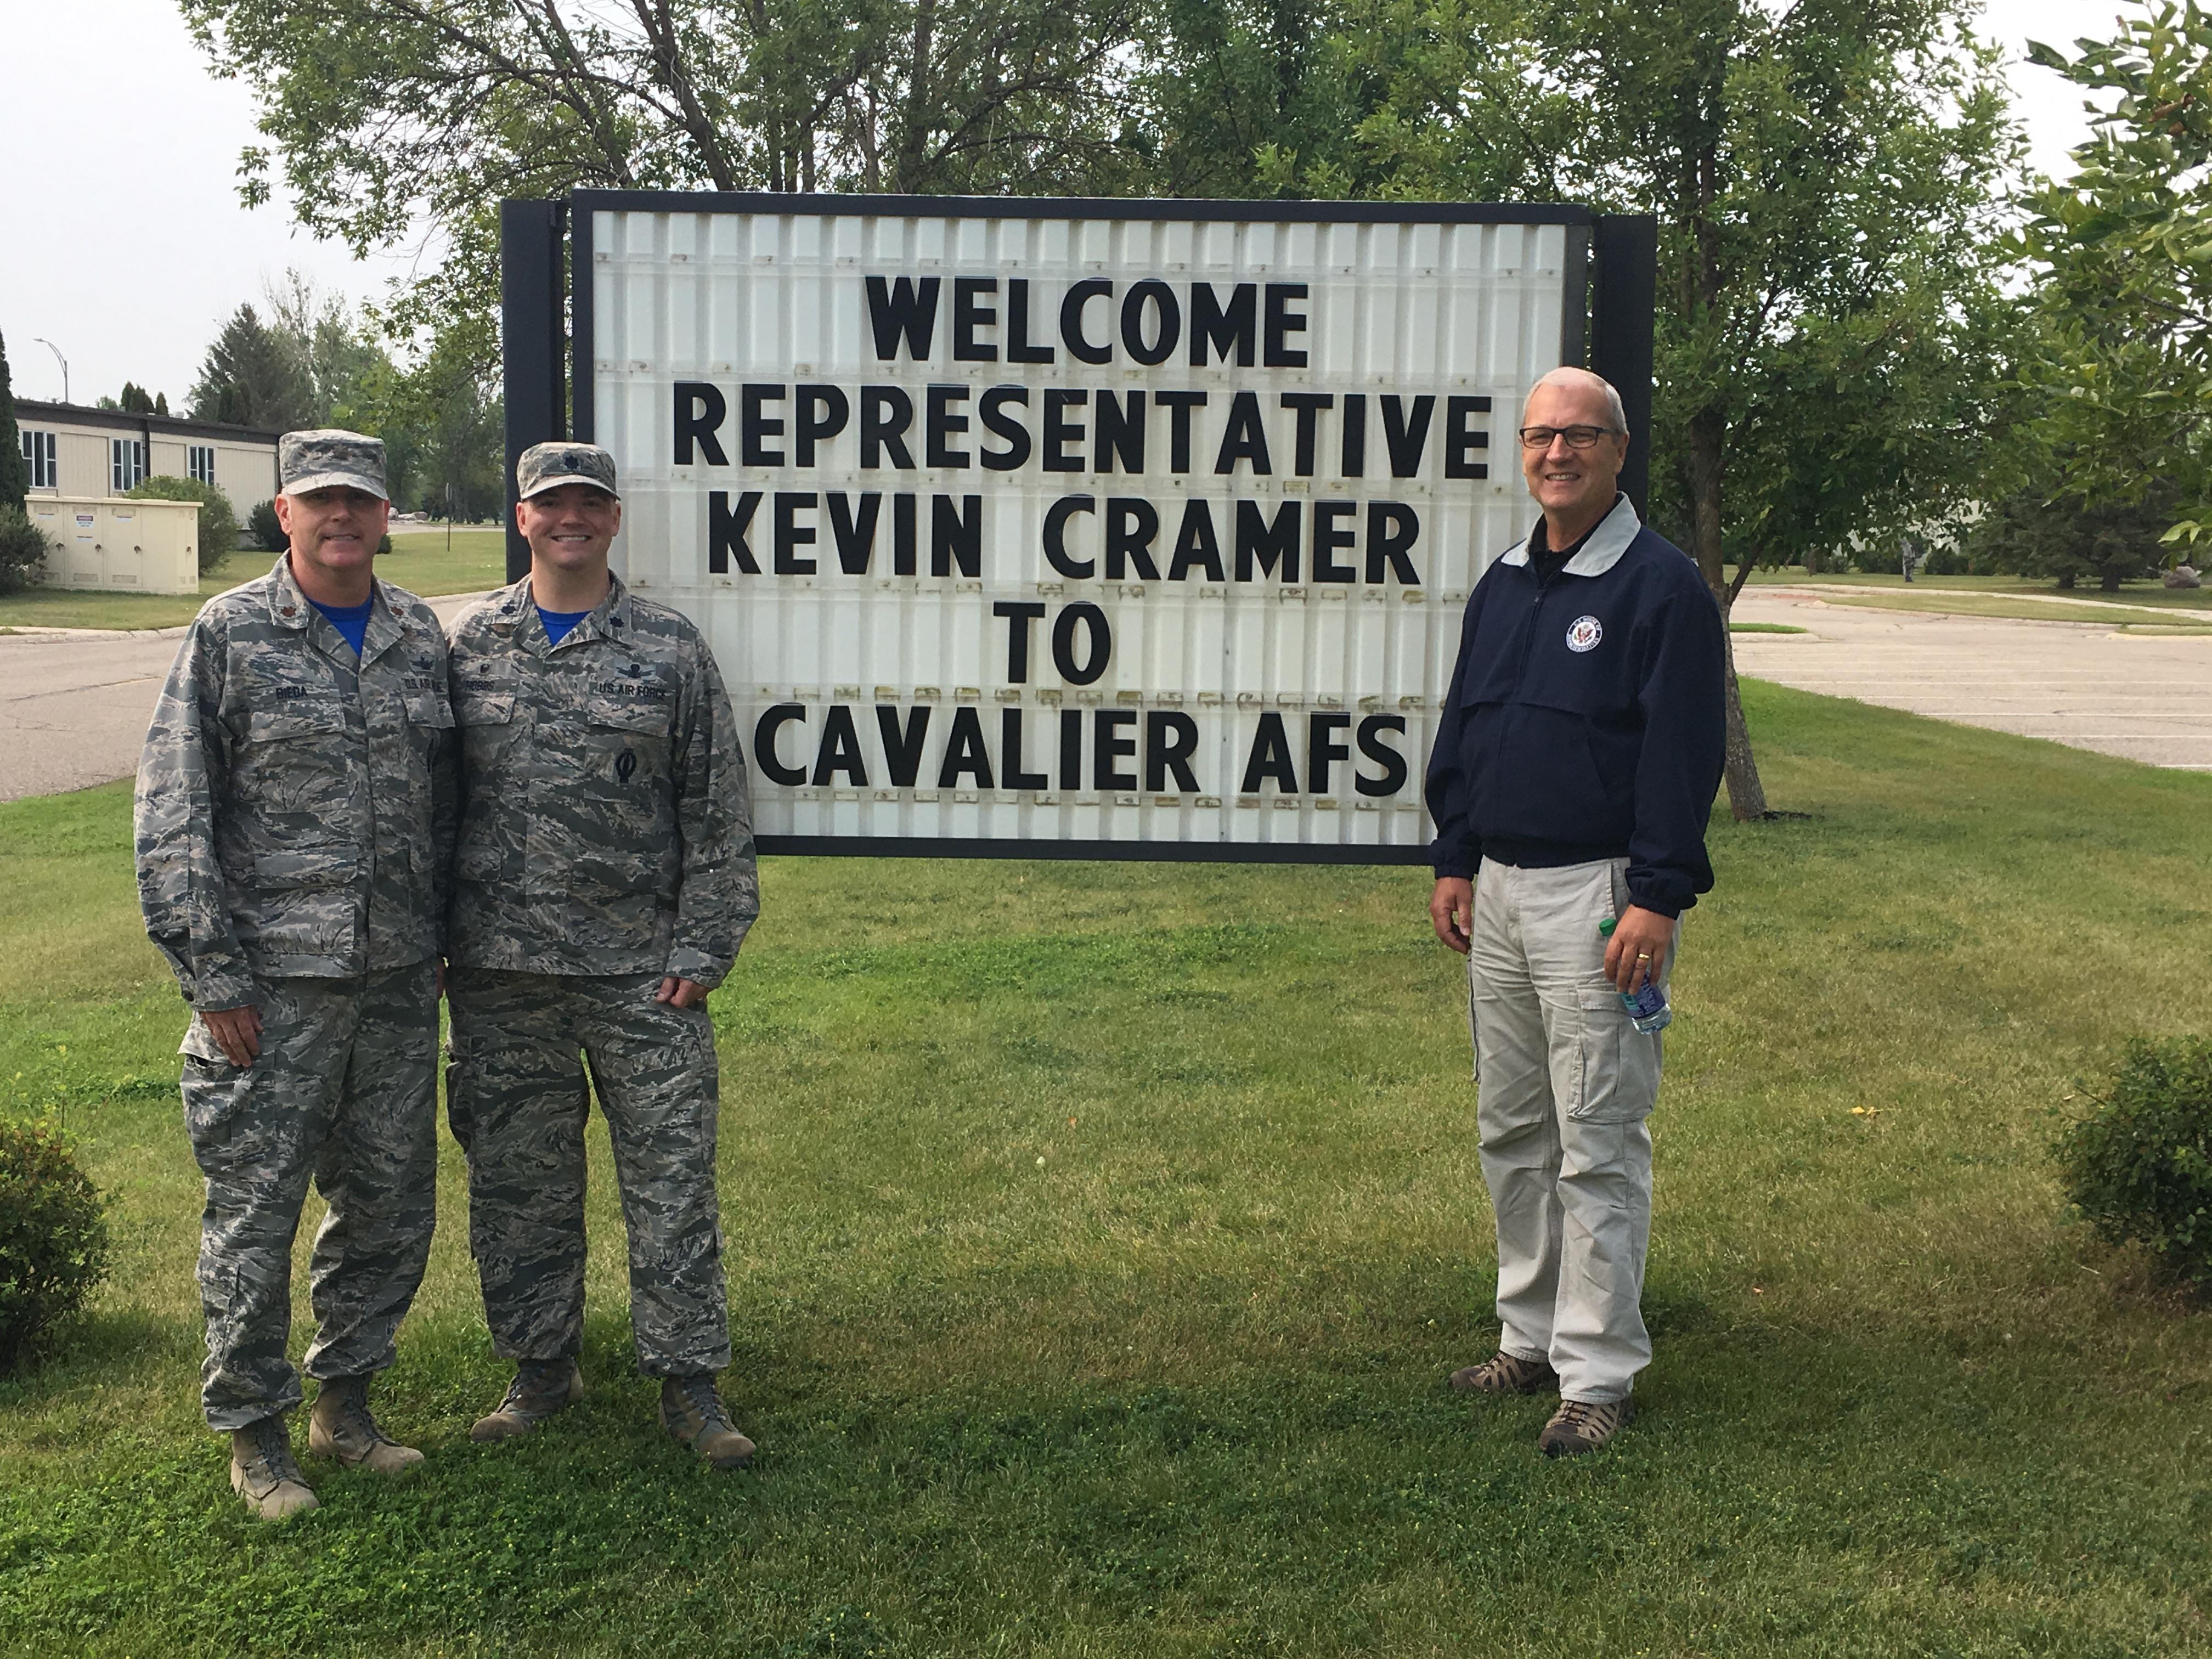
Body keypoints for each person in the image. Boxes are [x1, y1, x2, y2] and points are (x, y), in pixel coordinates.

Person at [135, 430, 455, 1519]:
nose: (342, 520)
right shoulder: (230, 632)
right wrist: (212, 973)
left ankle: (346, 1404)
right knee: (254, 1216)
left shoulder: (418, 636)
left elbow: (450, 802)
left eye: (360, 502)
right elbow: (177, 813)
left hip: (402, 977)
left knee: (388, 1206)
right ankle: (256, 1436)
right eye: (320, 501)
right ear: (283, 512)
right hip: (270, 990)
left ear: (384, 513)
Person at [1423, 368, 1725, 1456]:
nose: (1559, 453)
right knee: (1513, 1128)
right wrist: (1456, 857)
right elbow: (1471, 725)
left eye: (1581, 436)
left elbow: (1680, 757)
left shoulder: (1662, 588)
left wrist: (1656, 895)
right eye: (1542, 436)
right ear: (1523, 450)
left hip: (1600, 897)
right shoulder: (1507, 583)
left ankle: (1597, 1377)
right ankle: (1531, 1333)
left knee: (1596, 1137)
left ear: (1619, 449)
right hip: (1497, 889)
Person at [443, 441, 759, 1468]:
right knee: (521, 1182)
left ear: (615, 520)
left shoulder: (669, 650)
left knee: (670, 1179)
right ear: (522, 519)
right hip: (501, 976)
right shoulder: (467, 646)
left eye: (590, 504)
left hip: (640, 975)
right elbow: (429, 810)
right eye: (551, 505)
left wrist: (704, 948)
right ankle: (541, 1368)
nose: (570, 519)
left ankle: (689, 1384)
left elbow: (716, 812)